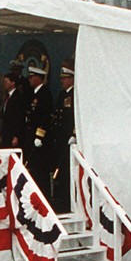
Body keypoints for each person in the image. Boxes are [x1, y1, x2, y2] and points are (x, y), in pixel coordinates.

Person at [23, 62, 55, 200]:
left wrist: (39, 136)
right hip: (31, 136)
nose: (30, 80)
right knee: (34, 169)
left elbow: (45, 117)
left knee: (40, 169)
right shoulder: (34, 94)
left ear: (39, 78)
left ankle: (44, 197)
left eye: (32, 77)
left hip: (40, 139)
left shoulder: (44, 94)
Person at [52, 61, 76, 211]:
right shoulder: (62, 95)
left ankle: (68, 201)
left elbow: (75, 117)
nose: (62, 81)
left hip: (69, 138)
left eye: (65, 78)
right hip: (61, 138)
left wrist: (74, 134)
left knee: (68, 171)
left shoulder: (74, 95)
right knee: (59, 171)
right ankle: (60, 199)